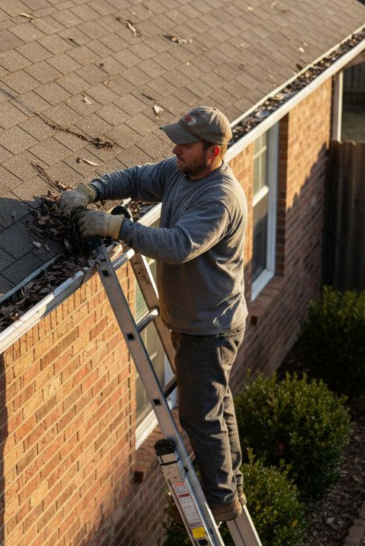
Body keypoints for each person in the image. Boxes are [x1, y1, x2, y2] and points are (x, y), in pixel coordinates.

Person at [60, 106, 248, 522]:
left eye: (185, 144)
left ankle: (221, 500)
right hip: (198, 320)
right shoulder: (180, 172)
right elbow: (136, 177)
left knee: (199, 415)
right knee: (216, 405)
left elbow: (177, 246)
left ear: (213, 152)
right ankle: (231, 484)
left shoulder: (219, 197)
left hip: (210, 329)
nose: (175, 149)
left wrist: (117, 229)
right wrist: (91, 190)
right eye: (176, 140)